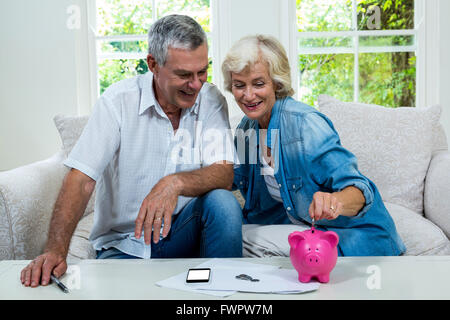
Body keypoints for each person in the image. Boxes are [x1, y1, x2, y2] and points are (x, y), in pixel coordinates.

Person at [21, 14, 242, 288]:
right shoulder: (118, 102)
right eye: (184, 75)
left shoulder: (210, 100)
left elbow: (223, 173)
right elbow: (81, 179)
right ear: (153, 65)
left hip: (184, 236)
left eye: (202, 72)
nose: (196, 84)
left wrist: (174, 183)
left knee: (224, 203)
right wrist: (55, 249)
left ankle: (227, 296)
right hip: (125, 245)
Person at [222, 34, 405, 256]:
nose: (248, 95)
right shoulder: (247, 128)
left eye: (259, 84)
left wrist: (334, 201)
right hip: (305, 230)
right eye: (240, 85)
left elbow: (359, 190)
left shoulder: (305, 124)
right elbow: (228, 177)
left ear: (277, 83)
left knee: (239, 239)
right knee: (224, 231)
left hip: (351, 236)